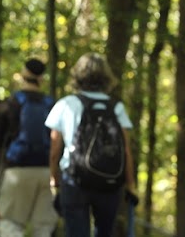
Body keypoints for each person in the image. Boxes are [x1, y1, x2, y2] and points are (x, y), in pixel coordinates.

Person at [45, 53, 136, 237]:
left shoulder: (66, 104)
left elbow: (54, 150)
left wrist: (54, 179)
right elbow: (125, 150)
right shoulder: (116, 108)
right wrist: (130, 184)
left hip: (74, 180)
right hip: (110, 182)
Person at [0, 58, 58, 237]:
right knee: (43, 228)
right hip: (46, 171)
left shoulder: (11, 103)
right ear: (42, 78)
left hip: (17, 171)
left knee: (10, 224)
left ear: (23, 74)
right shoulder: (51, 104)